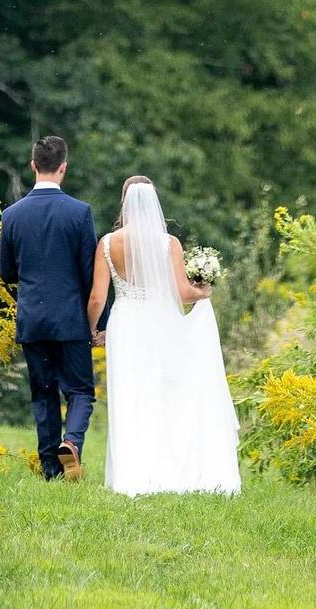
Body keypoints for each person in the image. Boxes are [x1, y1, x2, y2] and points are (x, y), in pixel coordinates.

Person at [87, 176, 241, 497]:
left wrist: (93, 329)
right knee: (164, 394)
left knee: (128, 393)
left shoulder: (107, 244)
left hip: (125, 323)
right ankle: (168, 466)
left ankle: (130, 473)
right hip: (161, 323)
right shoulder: (168, 243)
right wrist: (205, 288)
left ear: (124, 202)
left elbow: (97, 299)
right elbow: (184, 294)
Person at [0, 136, 98, 481]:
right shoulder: (80, 213)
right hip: (70, 319)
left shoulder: (11, 215)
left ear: (33, 166)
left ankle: (50, 468)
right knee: (80, 390)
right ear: (63, 167)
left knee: (43, 395)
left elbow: (6, 273)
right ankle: (71, 442)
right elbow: (90, 274)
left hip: (33, 319)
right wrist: (99, 322)